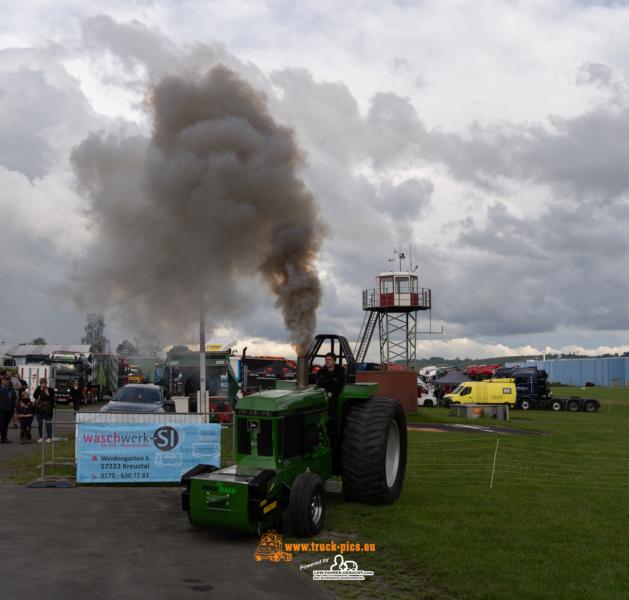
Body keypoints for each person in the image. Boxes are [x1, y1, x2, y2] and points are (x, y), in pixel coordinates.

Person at [33, 378, 55, 442]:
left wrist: (46, 391)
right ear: (40, 384)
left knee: (48, 423)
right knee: (40, 423)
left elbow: (51, 398)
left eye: (44, 383)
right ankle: (41, 437)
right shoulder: (38, 389)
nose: (43, 384)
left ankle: (49, 437)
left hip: (48, 409)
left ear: (46, 383)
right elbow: (35, 396)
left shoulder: (50, 389)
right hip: (39, 409)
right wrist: (40, 389)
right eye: (42, 383)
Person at [0, 373, 17, 443]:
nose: (7, 381)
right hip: (1, 410)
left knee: (5, 424)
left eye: (8, 379)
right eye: (5, 379)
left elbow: (14, 398)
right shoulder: (0, 389)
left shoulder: (11, 389)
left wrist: (14, 407)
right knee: (1, 424)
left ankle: (4, 438)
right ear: (2, 380)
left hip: (10, 410)